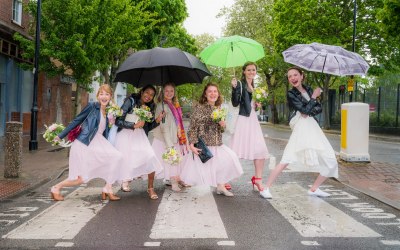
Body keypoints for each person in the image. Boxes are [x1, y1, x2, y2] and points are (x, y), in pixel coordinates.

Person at [263, 66, 338, 198]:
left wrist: (309, 107)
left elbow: (318, 109)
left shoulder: (308, 89)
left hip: (312, 125)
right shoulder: (291, 94)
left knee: (330, 159)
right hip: (301, 126)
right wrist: (313, 99)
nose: (293, 78)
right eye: (290, 76)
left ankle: (314, 189)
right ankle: (266, 188)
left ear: (302, 76)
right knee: (287, 158)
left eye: (295, 75)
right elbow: (304, 111)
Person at [51, 84, 123, 201]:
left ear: (111, 96)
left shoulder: (110, 111)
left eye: (107, 94)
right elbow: (77, 120)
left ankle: (108, 188)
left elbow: (108, 129)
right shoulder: (92, 106)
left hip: (98, 142)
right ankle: (56, 188)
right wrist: (61, 135)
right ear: (98, 95)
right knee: (80, 179)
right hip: (84, 143)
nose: (104, 97)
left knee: (117, 157)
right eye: (101, 94)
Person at [181, 83, 243, 196]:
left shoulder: (218, 108)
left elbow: (221, 129)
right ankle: (220, 186)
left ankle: (220, 186)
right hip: (204, 144)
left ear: (218, 94)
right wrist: (191, 144)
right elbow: (192, 127)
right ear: (205, 94)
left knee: (229, 159)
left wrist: (222, 125)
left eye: (215, 91)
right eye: (210, 91)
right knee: (204, 169)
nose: (213, 93)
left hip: (217, 143)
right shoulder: (199, 108)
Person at [114, 84, 165, 200]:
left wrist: (157, 120)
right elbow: (118, 120)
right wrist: (133, 125)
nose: (148, 96)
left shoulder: (150, 107)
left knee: (150, 157)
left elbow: (147, 126)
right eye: (147, 93)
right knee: (126, 160)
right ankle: (120, 182)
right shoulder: (130, 101)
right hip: (126, 135)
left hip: (140, 136)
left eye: (152, 95)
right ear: (142, 92)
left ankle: (150, 188)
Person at [230, 62, 270, 198]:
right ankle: (224, 180)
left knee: (260, 150)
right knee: (235, 151)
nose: (251, 72)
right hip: (242, 120)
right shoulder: (240, 84)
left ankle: (257, 179)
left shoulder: (255, 87)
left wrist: (258, 105)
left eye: (253, 70)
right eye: (249, 70)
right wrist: (234, 88)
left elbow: (254, 107)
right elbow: (235, 103)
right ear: (244, 71)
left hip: (253, 120)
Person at [151, 83, 189, 192]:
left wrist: (184, 138)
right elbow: (164, 127)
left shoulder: (175, 105)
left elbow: (179, 123)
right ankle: (173, 183)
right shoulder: (161, 106)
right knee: (171, 159)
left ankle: (177, 179)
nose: (169, 93)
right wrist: (169, 145)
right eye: (166, 91)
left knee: (176, 160)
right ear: (162, 92)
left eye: (171, 91)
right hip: (166, 139)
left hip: (175, 136)